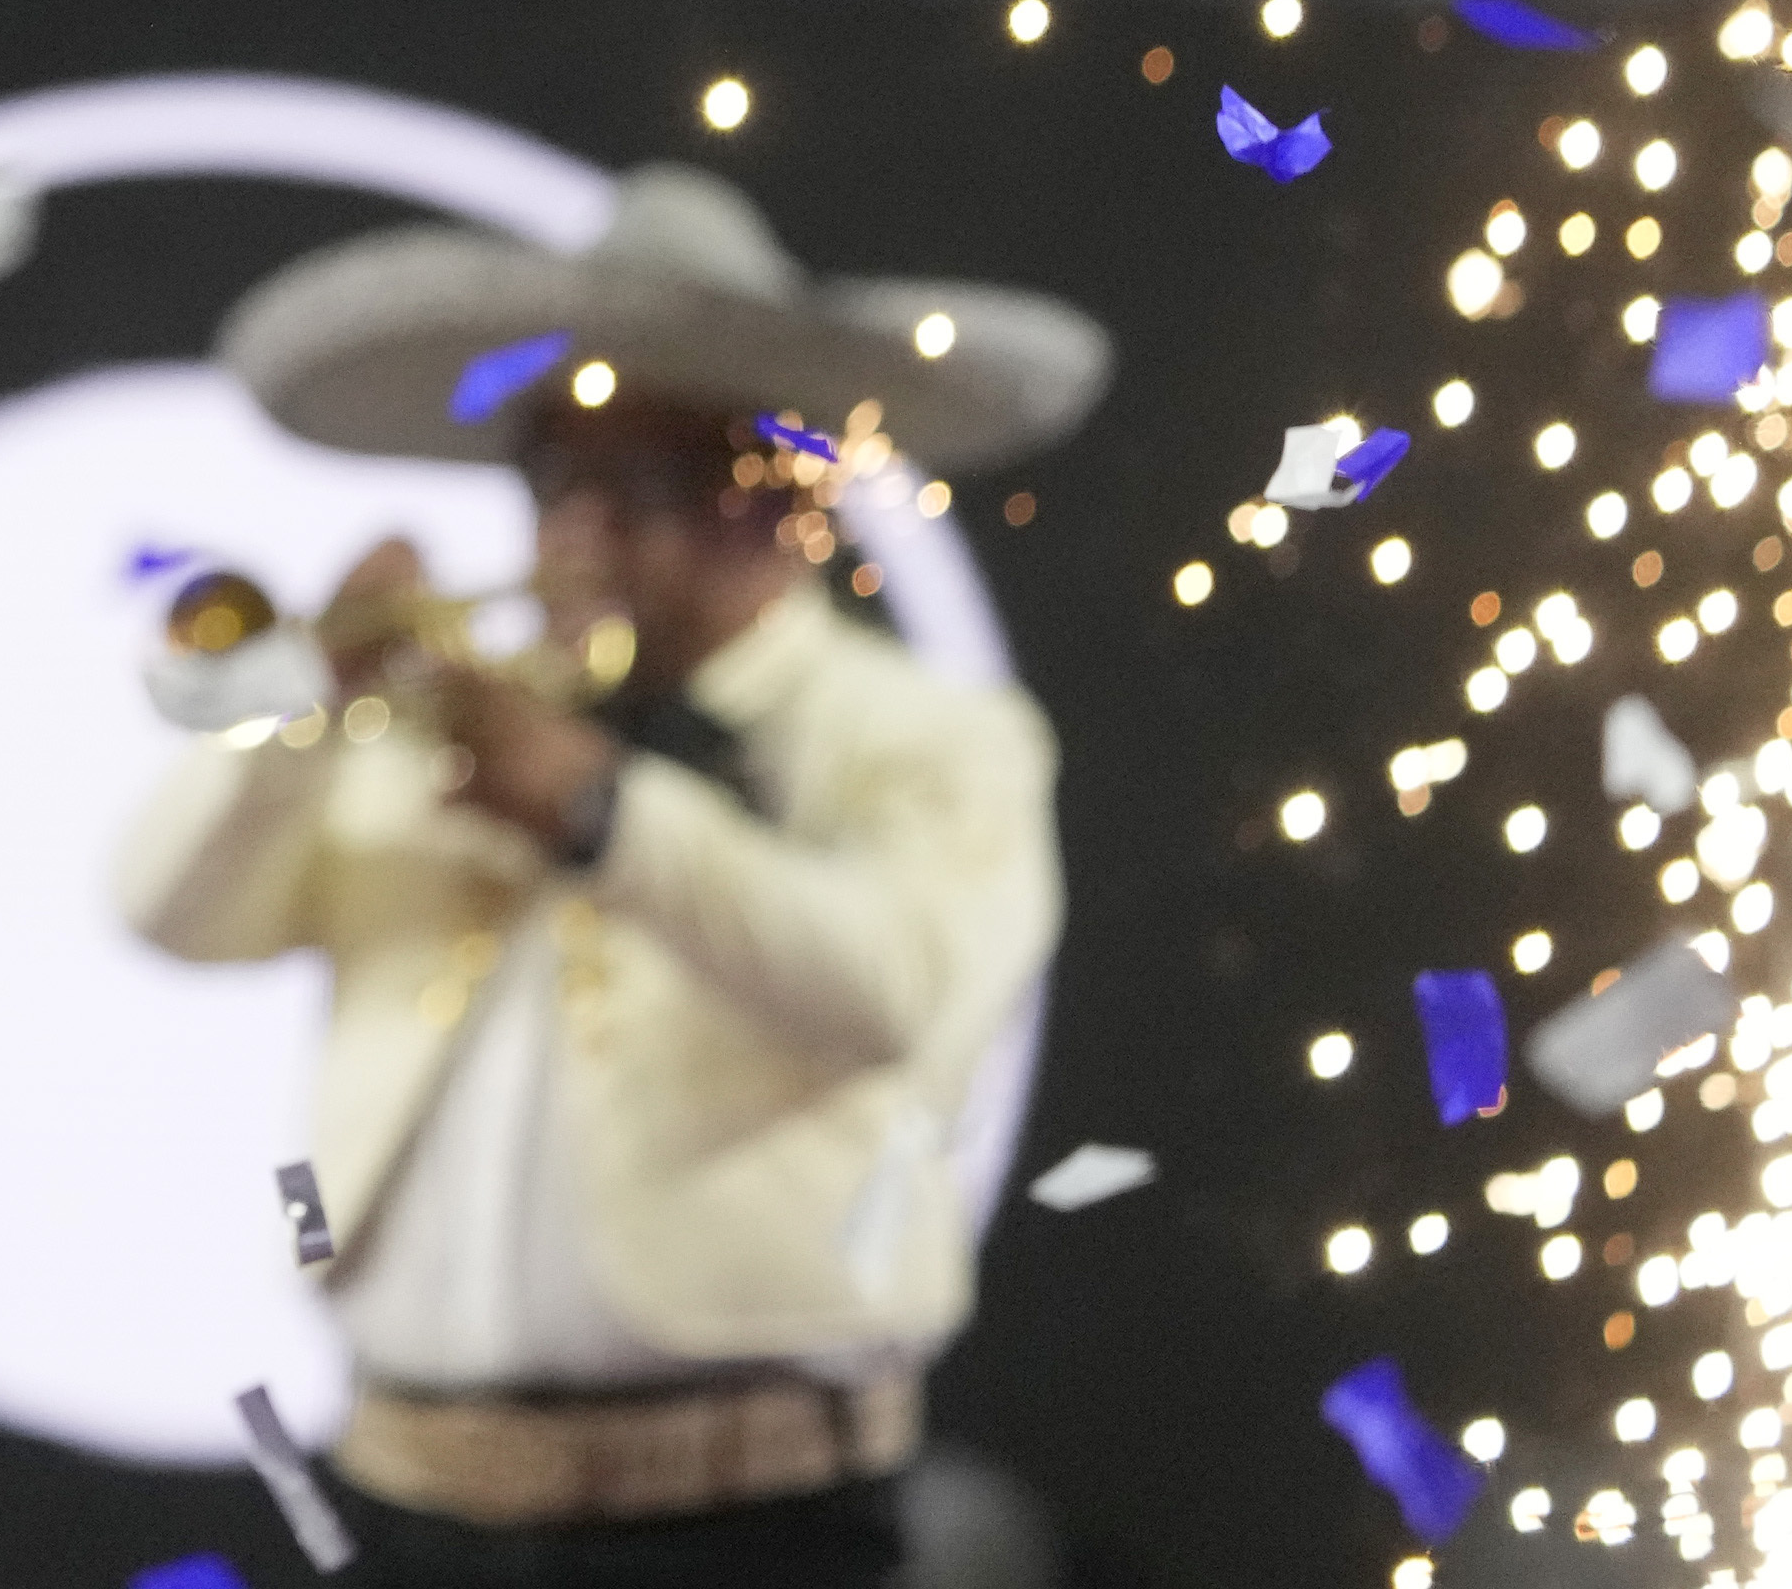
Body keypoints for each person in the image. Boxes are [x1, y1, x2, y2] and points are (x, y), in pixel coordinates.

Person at [125, 163, 1089, 1589]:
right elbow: (166, 914)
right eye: (549, 475)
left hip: (747, 1524)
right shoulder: (445, 708)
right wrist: (303, 705)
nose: (575, 528)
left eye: (636, 482)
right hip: (406, 1503)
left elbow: (904, 994)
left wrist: (599, 810)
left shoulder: (930, 738)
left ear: (783, 495)